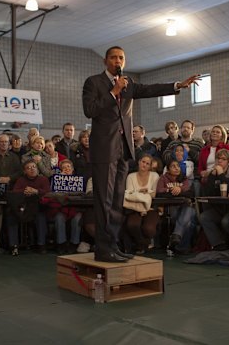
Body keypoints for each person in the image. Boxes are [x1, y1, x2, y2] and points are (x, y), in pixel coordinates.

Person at [82, 45, 200, 262]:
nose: (118, 61)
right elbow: (90, 110)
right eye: (114, 58)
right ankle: (102, 249)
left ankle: (113, 245)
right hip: (104, 149)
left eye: (122, 58)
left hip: (123, 149)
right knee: (104, 200)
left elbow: (149, 89)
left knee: (117, 201)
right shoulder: (94, 82)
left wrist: (177, 85)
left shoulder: (128, 84)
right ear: (105, 61)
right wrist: (113, 92)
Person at [198, 149, 229, 249]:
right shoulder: (214, 172)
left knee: (225, 221)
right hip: (219, 207)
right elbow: (208, 193)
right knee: (204, 217)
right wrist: (212, 176)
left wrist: (221, 175)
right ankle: (219, 245)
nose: (220, 161)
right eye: (218, 158)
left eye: (223, 159)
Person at [10, 160, 51, 255]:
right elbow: (14, 192)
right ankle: (13, 245)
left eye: (33, 167)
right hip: (23, 207)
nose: (32, 169)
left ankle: (41, 245)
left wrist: (36, 191)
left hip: (39, 206)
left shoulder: (43, 179)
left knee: (41, 217)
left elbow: (48, 192)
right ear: (25, 171)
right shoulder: (21, 180)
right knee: (11, 216)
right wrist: (25, 190)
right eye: (28, 168)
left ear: (37, 169)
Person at [156, 160, 196, 255]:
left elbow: (190, 193)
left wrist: (179, 190)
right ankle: (181, 246)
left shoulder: (183, 178)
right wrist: (171, 190)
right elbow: (159, 192)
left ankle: (176, 237)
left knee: (189, 211)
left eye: (177, 166)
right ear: (168, 169)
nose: (176, 168)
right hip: (171, 207)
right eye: (173, 166)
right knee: (188, 222)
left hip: (184, 206)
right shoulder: (163, 178)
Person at [122, 154, 160, 254]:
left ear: (150, 166)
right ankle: (143, 244)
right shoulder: (131, 176)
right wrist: (145, 193)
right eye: (143, 162)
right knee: (132, 225)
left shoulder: (154, 176)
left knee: (149, 229)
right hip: (134, 207)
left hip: (150, 207)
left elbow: (154, 194)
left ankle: (142, 244)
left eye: (147, 164)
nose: (144, 165)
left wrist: (138, 193)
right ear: (139, 162)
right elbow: (128, 194)